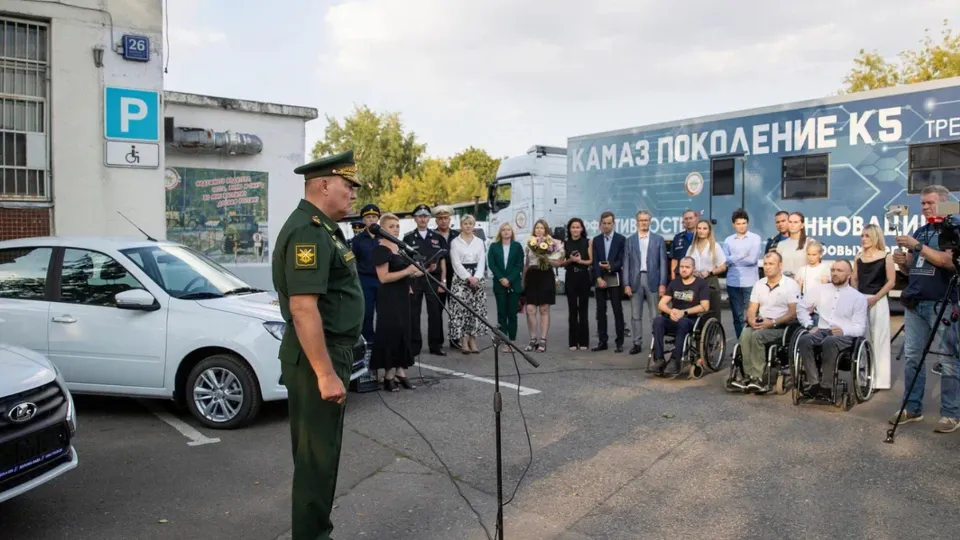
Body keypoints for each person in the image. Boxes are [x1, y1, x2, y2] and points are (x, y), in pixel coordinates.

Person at [273, 148, 363, 540]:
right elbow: (303, 309)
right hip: (316, 360)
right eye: (348, 185)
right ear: (323, 184)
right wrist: (325, 373)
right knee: (316, 461)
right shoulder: (308, 231)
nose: (353, 194)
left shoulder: (324, 227)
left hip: (328, 353)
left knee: (322, 457)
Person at [891, 184, 959, 433]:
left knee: (949, 359)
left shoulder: (954, 230)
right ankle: (912, 408)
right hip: (915, 302)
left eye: (930, 203)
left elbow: (948, 262)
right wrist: (903, 262)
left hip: (942, 302)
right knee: (912, 358)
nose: (925, 207)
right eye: (923, 204)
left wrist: (917, 247)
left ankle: (951, 413)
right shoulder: (920, 231)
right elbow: (913, 271)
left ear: (944, 202)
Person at [795, 260, 869, 398]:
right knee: (805, 339)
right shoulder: (820, 290)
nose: (835, 273)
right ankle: (814, 383)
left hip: (844, 336)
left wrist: (844, 330)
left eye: (839, 271)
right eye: (833, 270)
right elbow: (801, 306)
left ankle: (826, 387)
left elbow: (860, 327)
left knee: (830, 341)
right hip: (822, 330)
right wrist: (809, 325)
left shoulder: (858, 298)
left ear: (849, 274)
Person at [732, 252, 801, 393]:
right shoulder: (759, 284)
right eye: (765, 264)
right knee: (745, 334)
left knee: (757, 336)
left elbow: (792, 313)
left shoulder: (790, 285)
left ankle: (758, 378)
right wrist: (751, 319)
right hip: (761, 323)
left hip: (781, 327)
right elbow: (752, 309)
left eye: (771, 264)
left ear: (780, 266)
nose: (767, 267)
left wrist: (772, 323)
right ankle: (748, 375)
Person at [370, 213, 419, 392]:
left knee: (403, 330)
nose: (395, 229)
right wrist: (407, 271)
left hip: (402, 294)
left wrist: (424, 269)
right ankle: (388, 374)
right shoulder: (381, 250)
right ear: (382, 230)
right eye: (391, 226)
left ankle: (401, 371)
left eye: (397, 226)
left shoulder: (400, 248)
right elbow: (383, 278)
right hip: (389, 296)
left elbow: (409, 272)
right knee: (390, 331)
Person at [851, 224, 896, 391]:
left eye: (867, 236)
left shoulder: (886, 256)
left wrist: (876, 298)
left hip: (879, 300)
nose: (863, 239)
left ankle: (880, 381)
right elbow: (854, 278)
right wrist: (856, 297)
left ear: (876, 237)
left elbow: (891, 281)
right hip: (861, 299)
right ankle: (864, 378)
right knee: (863, 338)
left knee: (879, 339)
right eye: (862, 235)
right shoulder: (859, 256)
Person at [648, 257, 710, 376]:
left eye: (687, 267)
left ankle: (674, 360)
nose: (684, 270)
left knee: (683, 322)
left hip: (691, 321)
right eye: (682, 267)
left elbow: (705, 306)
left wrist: (684, 312)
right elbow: (661, 304)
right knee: (658, 320)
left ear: (693, 268)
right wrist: (671, 312)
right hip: (674, 318)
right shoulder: (675, 282)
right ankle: (659, 359)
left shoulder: (701, 284)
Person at [403, 203, 447, 356]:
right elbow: (406, 261)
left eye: (425, 216)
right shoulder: (408, 238)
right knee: (413, 313)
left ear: (429, 218)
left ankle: (436, 345)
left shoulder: (437, 237)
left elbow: (442, 260)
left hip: (433, 279)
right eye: (420, 216)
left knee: (435, 312)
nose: (423, 219)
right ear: (415, 218)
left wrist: (443, 281)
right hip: (415, 279)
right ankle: (414, 346)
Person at [623, 210, 668, 354]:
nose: (644, 222)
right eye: (641, 220)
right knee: (635, 315)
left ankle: (656, 344)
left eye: (646, 220)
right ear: (637, 222)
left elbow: (663, 263)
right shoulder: (629, 240)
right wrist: (626, 284)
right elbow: (626, 263)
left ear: (650, 221)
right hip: (635, 280)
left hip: (653, 279)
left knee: (655, 315)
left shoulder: (658, 239)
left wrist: (662, 284)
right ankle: (637, 343)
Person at [449, 214, 489, 354]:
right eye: (465, 224)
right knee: (461, 310)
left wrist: (477, 277)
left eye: (470, 224)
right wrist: (468, 277)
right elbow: (456, 262)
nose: (468, 226)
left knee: (476, 309)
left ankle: (473, 338)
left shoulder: (479, 241)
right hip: (461, 279)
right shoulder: (455, 242)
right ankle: (463, 339)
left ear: (474, 225)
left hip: (477, 279)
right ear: (461, 225)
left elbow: (482, 260)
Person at [523, 219, 563, 353]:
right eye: (537, 228)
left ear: (546, 230)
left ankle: (543, 340)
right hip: (532, 275)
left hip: (546, 274)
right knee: (530, 309)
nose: (539, 230)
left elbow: (559, 263)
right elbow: (527, 263)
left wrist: (548, 259)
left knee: (544, 309)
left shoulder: (552, 243)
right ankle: (532, 338)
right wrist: (523, 281)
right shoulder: (530, 243)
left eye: (542, 228)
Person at [723, 208, 762, 339]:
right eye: (738, 223)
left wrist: (733, 258)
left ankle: (753, 341)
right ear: (734, 225)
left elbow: (752, 260)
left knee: (752, 315)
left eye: (744, 223)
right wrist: (742, 255)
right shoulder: (728, 240)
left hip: (750, 283)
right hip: (733, 282)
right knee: (737, 316)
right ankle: (741, 344)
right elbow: (725, 260)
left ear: (748, 223)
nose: (741, 226)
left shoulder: (755, 238)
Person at [592, 211, 626, 353]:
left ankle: (619, 342)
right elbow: (594, 260)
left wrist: (611, 267)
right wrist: (598, 278)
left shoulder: (621, 239)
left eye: (609, 223)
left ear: (613, 224)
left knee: (617, 309)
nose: (606, 226)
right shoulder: (596, 240)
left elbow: (622, 259)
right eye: (604, 223)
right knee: (600, 311)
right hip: (600, 278)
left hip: (614, 277)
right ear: (600, 224)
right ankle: (602, 341)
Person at [488, 222, 524, 353]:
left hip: (513, 284)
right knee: (502, 314)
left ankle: (512, 341)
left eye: (508, 230)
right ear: (500, 232)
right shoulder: (494, 247)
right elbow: (492, 264)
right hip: (499, 284)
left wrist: (509, 279)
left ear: (512, 232)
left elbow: (519, 265)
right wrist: (501, 278)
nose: (506, 232)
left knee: (512, 314)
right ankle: (503, 340)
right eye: (504, 230)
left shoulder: (517, 246)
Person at [351, 203, 382, 345]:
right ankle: (368, 341)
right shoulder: (357, 240)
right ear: (364, 220)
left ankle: (383, 341)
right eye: (368, 217)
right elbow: (354, 261)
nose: (372, 220)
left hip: (383, 279)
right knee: (367, 313)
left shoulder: (384, 237)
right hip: (366, 280)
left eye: (374, 217)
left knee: (384, 313)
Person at [686, 219, 727, 324]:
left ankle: (715, 338)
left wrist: (709, 272)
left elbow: (723, 267)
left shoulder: (715, 246)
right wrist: (692, 272)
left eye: (704, 228)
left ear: (709, 231)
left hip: (710, 282)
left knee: (713, 314)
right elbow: (686, 265)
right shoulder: (691, 248)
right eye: (699, 228)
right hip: (694, 282)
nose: (701, 231)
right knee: (695, 313)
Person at [562, 217, 593, 350]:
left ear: (582, 229)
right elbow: (561, 263)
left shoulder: (588, 242)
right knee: (572, 310)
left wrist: (580, 261)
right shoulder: (565, 243)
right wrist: (570, 259)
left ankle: (584, 341)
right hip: (570, 277)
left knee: (583, 310)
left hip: (583, 276)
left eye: (578, 227)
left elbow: (591, 261)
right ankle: (573, 342)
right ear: (569, 229)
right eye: (573, 227)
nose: (575, 230)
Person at [432, 205, 461, 348]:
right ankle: (437, 342)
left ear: (450, 219)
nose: (443, 221)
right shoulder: (432, 236)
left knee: (455, 309)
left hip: (456, 276)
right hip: (438, 277)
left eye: (445, 218)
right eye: (440, 219)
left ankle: (455, 339)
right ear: (436, 221)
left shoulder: (457, 235)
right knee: (437, 309)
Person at [795, 240, 830, 327]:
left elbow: (824, 291)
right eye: (809, 254)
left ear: (820, 255)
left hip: (818, 308)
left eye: (814, 255)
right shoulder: (802, 270)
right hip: (804, 307)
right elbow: (797, 291)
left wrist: (814, 306)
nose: (811, 257)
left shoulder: (824, 268)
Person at [777, 211, 818, 277]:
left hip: (804, 282)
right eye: (790, 222)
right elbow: (778, 267)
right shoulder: (781, 245)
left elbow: (815, 267)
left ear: (802, 225)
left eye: (795, 222)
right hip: (785, 283)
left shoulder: (810, 242)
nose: (792, 225)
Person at [670, 209, 698, 280]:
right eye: (686, 219)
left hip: (697, 275)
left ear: (696, 219)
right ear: (683, 221)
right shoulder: (677, 237)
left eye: (691, 218)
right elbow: (674, 260)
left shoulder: (701, 236)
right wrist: (673, 278)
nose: (688, 221)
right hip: (680, 276)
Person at [762, 211, 791, 279]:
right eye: (778, 222)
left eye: (783, 221)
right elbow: (767, 264)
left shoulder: (799, 241)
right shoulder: (772, 243)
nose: (780, 224)